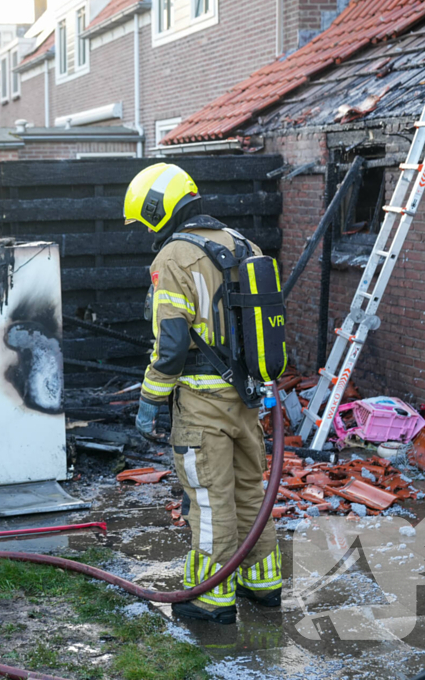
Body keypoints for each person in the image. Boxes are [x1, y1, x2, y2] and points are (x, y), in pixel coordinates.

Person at [124, 164, 281, 625]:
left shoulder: (173, 257)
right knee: (251, 491)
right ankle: (263, 584)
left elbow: (171, 345)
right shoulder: (243, 244)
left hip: (200, 402)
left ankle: (212, 596)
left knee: (210, 500)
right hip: (246, 399)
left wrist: (151, 399)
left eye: (145, 219)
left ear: (158, 208)